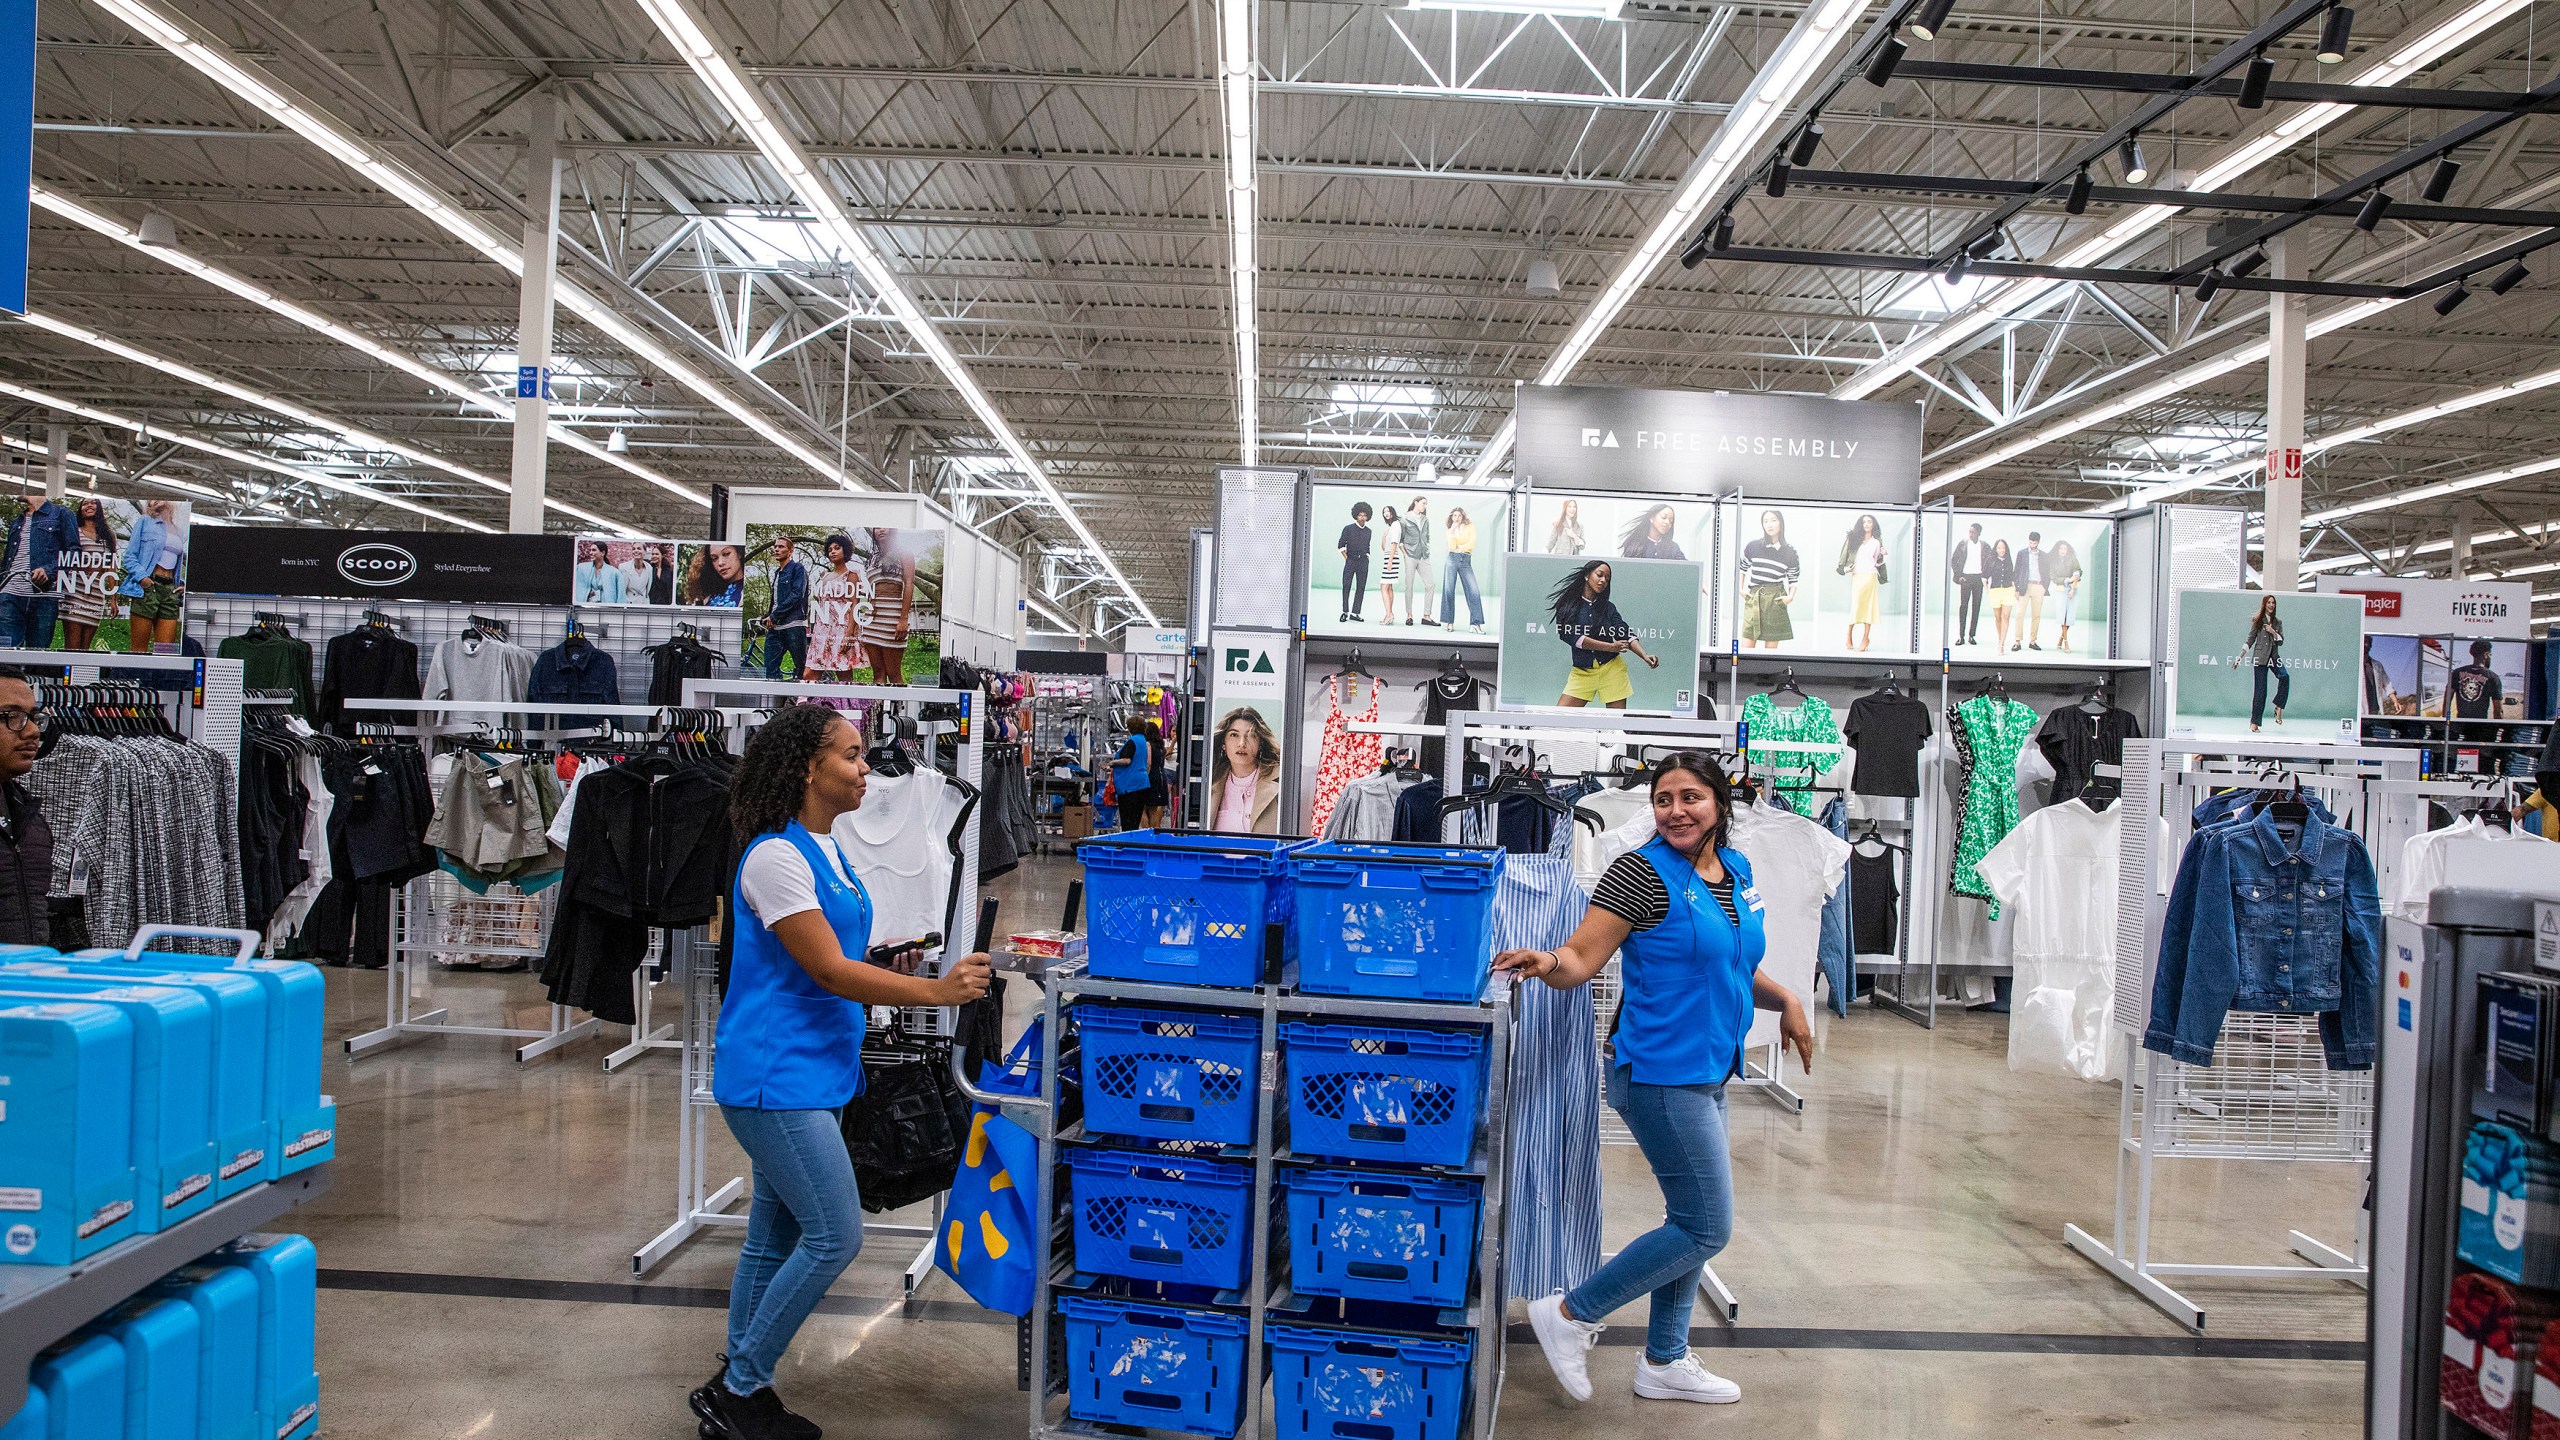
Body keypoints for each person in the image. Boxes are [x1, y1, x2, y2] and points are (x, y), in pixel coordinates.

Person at [691, 703, 992, 1440]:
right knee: (835, 1234)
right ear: (807, 766)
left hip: (817, 1074)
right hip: (774, 1078)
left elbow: (837, 951)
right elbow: (825, 969)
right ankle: (740, 1388)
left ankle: (739, 1376)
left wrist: (889, 961)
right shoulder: (774, 857)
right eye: (853, 756)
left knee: (775, 1236)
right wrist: (934, 992)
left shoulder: (827, 849)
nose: (866, 770)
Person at [1500, 753, 1813, 1410]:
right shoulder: (1638, 873)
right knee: (1706, 1227)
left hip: (1708, 1068)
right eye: (1664, 798)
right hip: (1659, 1073)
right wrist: (1547, 959)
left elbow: (1731, 961)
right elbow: (1582, 956)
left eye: (1691, 797)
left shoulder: (1738, 872)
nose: (1676, 809)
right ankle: (1571, 1313)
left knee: (1688, 1219)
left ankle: (1665, 1361)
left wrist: (1786, 999)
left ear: (1719, 804)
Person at [1550, 561, 1657, 710]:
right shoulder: (1567, 605)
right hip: (1583, 672)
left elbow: (1623, 631)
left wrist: (1644, 656)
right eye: (1600, 575)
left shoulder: (1608, 607)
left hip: (1612, 670)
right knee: (1559, 719)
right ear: (1587, 575)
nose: (1603, 581)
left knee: (1615, 726)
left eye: (1607, 579)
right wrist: (1610, 647)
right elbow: (1572, 637)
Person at [0, 670, 52, 945]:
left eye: (33, 717)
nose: (32, 731)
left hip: (24, 980)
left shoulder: (27, 815)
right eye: (12, 717)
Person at [0, 497, 75, 650]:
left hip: (44, 594)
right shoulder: (18, 520)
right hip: (10, 593)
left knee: (38, 653)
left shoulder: (61, 513)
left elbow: (74, 554)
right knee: (7, 653)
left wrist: (49, 570)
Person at [118, 499, 185, 653]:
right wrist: (143, 579)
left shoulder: (179, 531)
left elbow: (177, 562)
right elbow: (130, 556)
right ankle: (135, 677)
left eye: (160, 497)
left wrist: (182, 583)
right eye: (151, 499)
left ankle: (157, 677)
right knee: (138, 649)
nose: (154, 500)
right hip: (149, 585)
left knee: (166, 651)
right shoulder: (146, 521)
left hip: (170, 590)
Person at [1207, 706, 1280, 834]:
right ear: (1223, 743)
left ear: (1260, 743)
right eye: (1234, 735)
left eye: (1251, 735)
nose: (1242, 743)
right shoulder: (1210, 782)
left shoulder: (1280, 782)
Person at [57, 498, 117, 652]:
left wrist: (113, 599)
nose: (89, 505)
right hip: (74, 592)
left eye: (93, 502)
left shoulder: (109, 535)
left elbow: (111, 567)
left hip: (96, 594)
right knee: (72, 647)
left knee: (85, 649)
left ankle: (79, 676)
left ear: (99, 507)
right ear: (80, 509)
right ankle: (67, 675)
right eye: (85, 503)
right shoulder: (74, 531)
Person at [1739, 510, 1797, 650]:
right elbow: (1742, 569)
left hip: (1774, 600)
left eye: (1773, 520)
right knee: (1746, 650)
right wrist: (1740, 589)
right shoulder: (1753, 546)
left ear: (1781, 523)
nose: (1769, 524)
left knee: (1770, 653)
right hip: (1754, 598)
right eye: (1765, 521)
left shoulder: (1790, 552)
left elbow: (1793, 579)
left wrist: (1790, 597)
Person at [805, 536, 862, 678]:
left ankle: (847, 701)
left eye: (837, 548)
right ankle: (808, 700)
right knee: (809, 674)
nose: (833, 552)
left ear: (845, 550)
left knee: (843, 674)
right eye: (830, 550)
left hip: (841, 629)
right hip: (822, 630)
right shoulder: (825, 576)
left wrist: (849, 635)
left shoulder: (852, 575)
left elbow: (855, 604)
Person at [2234, 594, 2287, 731]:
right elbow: (2250, 640)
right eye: (2269, 602)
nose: (2271, 605)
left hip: (2274, 656)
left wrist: (2273, 632)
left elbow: (2281, 641)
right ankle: (2254, 722)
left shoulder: (2278, 622)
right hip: (2260, 658)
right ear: (2264, 604)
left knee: (2284, 676)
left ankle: (2278, 705)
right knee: (2260, 692)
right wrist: (2239, 657)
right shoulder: (2257, 620)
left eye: (2273, 603)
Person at [1837, 514, 1886, 653]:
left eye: (1869, 521)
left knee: (1869, 607)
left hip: (1870, 576)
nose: (1866, 524)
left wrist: (1884, 555)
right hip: (1857, 576)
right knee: (1857, 605)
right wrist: (1845, 569)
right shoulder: (1853, 539)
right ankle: (1849, 635)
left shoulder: (1876, 543)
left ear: (1873, 524)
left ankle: (1865, 639)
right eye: (1864, 522)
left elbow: (1877, 562)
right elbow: (1844, 557)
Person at [763, 535, 810, 681]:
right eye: (775, 546)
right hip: (775, 628)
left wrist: (774, 615)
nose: (777, 549)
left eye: (781, 547)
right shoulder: (777, 573)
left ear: (790, 551)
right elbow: (776, 600)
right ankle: (778, 699)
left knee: (801, 668)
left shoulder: (797, 569)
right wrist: (767, 616)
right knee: (770, 668)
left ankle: (799, 700)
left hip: (793, 625)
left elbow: (796, 595)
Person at [1440, 506, 1484, 633]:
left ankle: (1475, 624)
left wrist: (1461, 548)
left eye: (1459, 515)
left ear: (1462, 516)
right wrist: (1452, 531)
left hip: (1465, 560)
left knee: (1473, 591)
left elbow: (1472, 542)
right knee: (1449, 590)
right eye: (1454, 516)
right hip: (1452, 559)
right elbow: (1451, 547)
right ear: (1451, 517)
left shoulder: (1470, 526)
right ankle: (1449, 622)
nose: (1457, 518)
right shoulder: (1450, 530)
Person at [1949, 522, 1989, 647]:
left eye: (1973, 532)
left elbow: (1990, 561)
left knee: (1976, 607)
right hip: (1966, 578)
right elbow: (1954, 560)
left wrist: (1985, 576)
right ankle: (1961, 636)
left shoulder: (1984, 546)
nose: (1971, 534)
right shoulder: (1963, 544)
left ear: (1979, 533)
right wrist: (1959, 575)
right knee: (1963, 606)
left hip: (1978, 579)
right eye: (1969, 531)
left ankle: (1972, 635)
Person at [1110, 721, 1155, 830]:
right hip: (1142, 783)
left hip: (1129, 785)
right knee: (1135, 820)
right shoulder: (1143, 741)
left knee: (1127, 820)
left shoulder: (1132, 741)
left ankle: (1126, 844)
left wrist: (1113, 763)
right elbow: (1147, 763)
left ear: (1131, 728)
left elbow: (1127, 760)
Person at [2447, 638, 2505, 721]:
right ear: (2486, 654)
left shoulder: (2457, 672)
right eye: (2490, 655)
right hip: (2480, 726)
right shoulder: (2492, 677)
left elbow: (2447, 700)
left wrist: (2447, 722)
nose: (2490, 657)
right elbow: (2498, 711)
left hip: (2460, 724)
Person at [1399, 495, 1434, 627]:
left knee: (1430, 584)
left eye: (1426, 504)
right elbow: (1400, 539)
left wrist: (1426, 547)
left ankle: (1426, 616)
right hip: (1410, 555)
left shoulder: (1426, 520)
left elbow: (1427, 536)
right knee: (1409, 585)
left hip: (1423, 555)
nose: (1425, 506)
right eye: (1423, 503)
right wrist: (1405, 554)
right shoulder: (1405, 518)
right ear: (1416, 503)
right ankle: (1409, 615)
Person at [1337, 502, 1374, 624]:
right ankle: (1345, 612)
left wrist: (1367, 557)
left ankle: (1355, 613)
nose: (1362, 517)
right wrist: (1347, 558)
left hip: (1363, 562)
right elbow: (1341, 545)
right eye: (1360, 515)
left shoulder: (1369, 531)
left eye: (1364, 515)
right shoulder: (1348, 529)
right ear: (1356, 515)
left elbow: (1367, 546)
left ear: (1368, 516)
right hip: (1351, 560)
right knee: (1346, 585)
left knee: (1361, 587)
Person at [2014, 531, 2049, 651]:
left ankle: (2033, 641)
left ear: (2038, 542)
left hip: (2039, 586)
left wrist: (2045, 587)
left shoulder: (2044, 555)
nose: (2032, 544)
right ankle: (2017, 641)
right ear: (2028, 541)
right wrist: (2016, 589)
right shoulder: (2022, 553)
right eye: (2030, 542)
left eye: (2034, 543)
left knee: (2036, 615)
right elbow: (2016, 571)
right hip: (2024, 586)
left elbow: (2047, 572)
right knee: (2019, 614)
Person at [2048, 539, 2083, 653]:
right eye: (2061, 548)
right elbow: (2053, 578)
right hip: (2061, 590)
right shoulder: (2053, 562)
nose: (2063, 551)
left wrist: (2073, 582)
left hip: (2073, 589)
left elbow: (2078, 572)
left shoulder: (2073, 559)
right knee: (2063, 615)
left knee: (2070, 615)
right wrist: (2067, 580)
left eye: (2065, 548)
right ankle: (2066, 642)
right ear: (2057, 549)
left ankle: (2060, 639)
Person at [1620, 504, 1686, 561]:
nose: (1667, 522)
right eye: (1663, 517)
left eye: (1671, 521)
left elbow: (1685, 568)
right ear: (1651, 517)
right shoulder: (1635, 545)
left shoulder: (1673, 547)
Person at [1984, 538, 2016, 655]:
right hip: (1995, 591)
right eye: (1999, 547)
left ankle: (2001, 644)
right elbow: (1984, 576)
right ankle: (2000, 639)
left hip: (2008, 590)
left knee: (2006, 617)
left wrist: (2016, 589)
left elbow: (2013, 576)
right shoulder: (1990, 560)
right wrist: (1986, 588)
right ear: (1996, 549)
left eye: (2003, 547)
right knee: (1998, 618)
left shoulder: (2009, 560)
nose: (2001, 550)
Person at [574, 540, 627, 605]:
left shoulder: (615, 572)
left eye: (594, 550)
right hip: (586, 608)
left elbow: (621, 596)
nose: (590, 552)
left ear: (602, 553)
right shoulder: (581, 568)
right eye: (590, 550)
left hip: (606, 609)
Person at [2363, 636, 2403, 717]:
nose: (2364, 644)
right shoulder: (2351, 664)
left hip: (2375, 711)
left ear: (2370, 645)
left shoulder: (2377, 665)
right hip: (2359, 711)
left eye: (2366, 642)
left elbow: (2387, 684)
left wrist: (2395, 701)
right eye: (2362, 641)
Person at [1377, 506, 1404, 626]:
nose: (1386, 513)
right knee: (1388, 588)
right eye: (1384, 512)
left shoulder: (1396, 525)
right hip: (1388, 556)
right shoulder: (1389, 527)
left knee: (1383, 587)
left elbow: (1394, 543)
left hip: (1392, 558)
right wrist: (1383, 536)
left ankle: (1389, 615)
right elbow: (1384, 548)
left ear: (1392, 512)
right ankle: (1389, 614)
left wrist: (1390, 561)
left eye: (1388, 511)